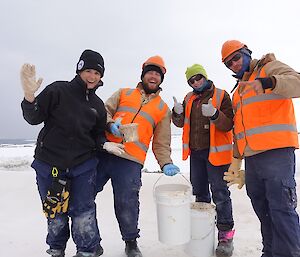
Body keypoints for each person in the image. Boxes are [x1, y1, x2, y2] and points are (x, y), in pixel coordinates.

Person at [21, 50, 124, 257]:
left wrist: (104, 145)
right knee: (55, 213)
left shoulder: (97, 106)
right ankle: (56, 250)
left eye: (97, 73)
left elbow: (96, 136)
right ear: (79, 70)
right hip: (49, 164)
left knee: (83, 212)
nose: (92, 76)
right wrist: (29, 97)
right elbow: (34, 118)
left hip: (83, 166)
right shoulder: (58, 90)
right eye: (88, 71)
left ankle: (86, 251)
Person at [221, 40, 300, 257]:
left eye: (236, 58)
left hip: (277, 154)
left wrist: (268, 82)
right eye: (228, 64)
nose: (234, 65)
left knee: (282, 210)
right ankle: (271, 252)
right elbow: (239, 129)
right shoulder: (238, 92)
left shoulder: (269, 68)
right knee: (263, 211)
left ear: (247, 53)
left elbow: (298, 83)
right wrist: (236, 161)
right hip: (253, 160)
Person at [95, 55, 180, 257]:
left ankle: (131, 242)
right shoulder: (124, 93)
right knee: (85, 195)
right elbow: (102, 112)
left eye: (157, 74)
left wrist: (165, 162)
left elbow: (161, 141)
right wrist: (110, 125)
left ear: (161, 79)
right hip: (104, 152)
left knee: (127, 203)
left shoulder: (163, 109)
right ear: (143, 75)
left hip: (130, 162)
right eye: (150, 72)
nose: (153, 76)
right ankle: (91, 241)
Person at [172, 64, 235, 257]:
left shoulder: (222, 95)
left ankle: (225, 237)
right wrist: (176, 112)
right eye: (191, 80)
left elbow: (228, 124)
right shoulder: (188, 98)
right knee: (200, 193)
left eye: (198, 77)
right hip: (196, 154)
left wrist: (215, 115)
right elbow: (180, 123)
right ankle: (204, 232)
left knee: (220, 193)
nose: (196, 82)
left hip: (216, 153)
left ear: (205, 76)